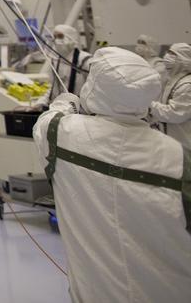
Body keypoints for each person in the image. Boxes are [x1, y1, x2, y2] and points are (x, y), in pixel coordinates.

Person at [33, 47, 191, 302]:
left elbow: (48, 118)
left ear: (95, 88)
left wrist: (66, 102)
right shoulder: (179, 160)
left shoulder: (59, 135)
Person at [149, 42, 191, 150]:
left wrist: (149, 105)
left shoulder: (187, 85)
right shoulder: (173, 80)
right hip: (173, 141)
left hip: (184, 144)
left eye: (173, 54)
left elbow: (174, 114)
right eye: (168, 52)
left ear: (184, 59)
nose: (167, 56)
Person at [43, 23, 90, 99]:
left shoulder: (84, 59)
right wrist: (41, 103)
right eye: (54, 37)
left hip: (82, 106)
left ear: (71, 37)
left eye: (60, 36)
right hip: (62, 105)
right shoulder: (55, 61)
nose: (56, 40)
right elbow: (52, 89)